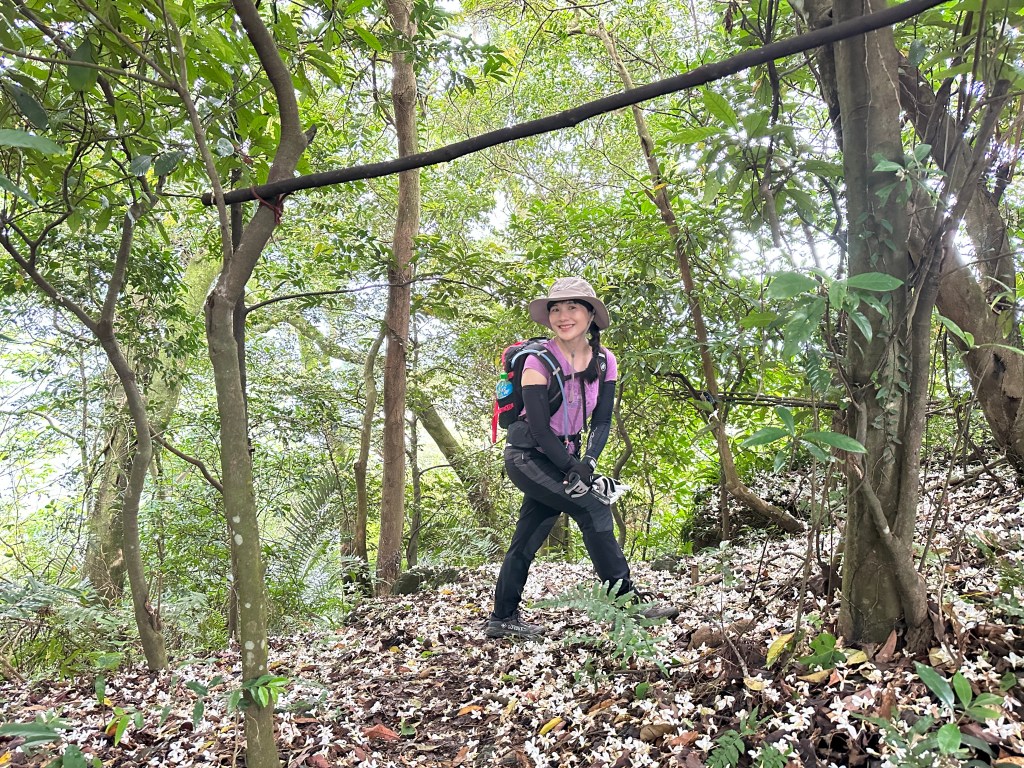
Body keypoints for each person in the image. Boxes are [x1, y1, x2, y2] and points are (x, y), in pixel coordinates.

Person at [485, 277, 678, 639]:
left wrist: (587, 462)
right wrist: (573, 469)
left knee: (528, 536)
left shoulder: (605, 361)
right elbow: (539, 429)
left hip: (566, 458)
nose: (563, 316)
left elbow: (602, 421)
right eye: (556, 309)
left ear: (590, 315)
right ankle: (628, 604)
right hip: (528, 458)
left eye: (572, 307)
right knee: (593, 509)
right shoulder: (537, 361)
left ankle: (502, 617)